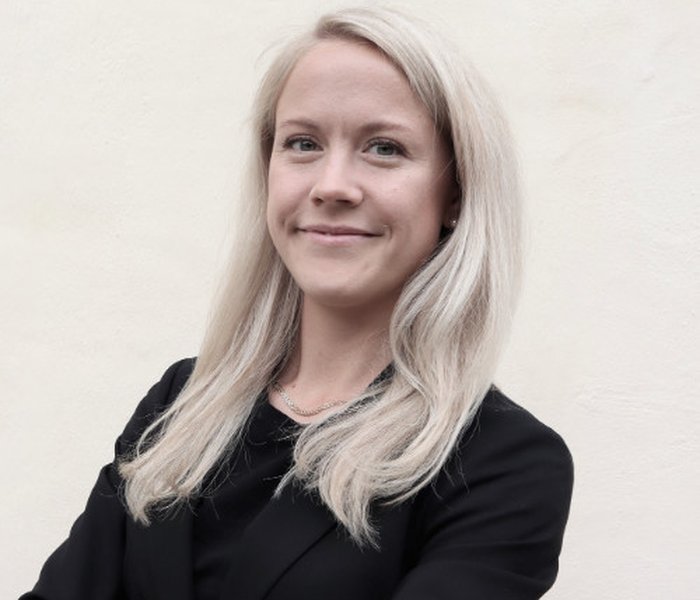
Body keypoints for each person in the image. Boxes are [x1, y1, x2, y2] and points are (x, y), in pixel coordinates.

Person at [21, 7, 573, 600]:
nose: (331, 185)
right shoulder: (182, 405)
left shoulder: (502, 465)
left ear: (455, 193)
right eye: (303, 143)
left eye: (384, 148)